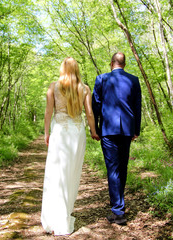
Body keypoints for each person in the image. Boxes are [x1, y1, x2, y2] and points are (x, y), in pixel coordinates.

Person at [41, 57, 100, 235]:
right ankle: (64, 215)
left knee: (57, 173)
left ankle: (57, 217)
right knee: (72, 173)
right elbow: (89, 113)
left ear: (62, 69)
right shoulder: (84, 88)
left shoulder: (53, 87)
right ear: (77, 69)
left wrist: (46, 132)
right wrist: (93, 131)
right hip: (76, 133)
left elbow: (48, 112)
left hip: (60, 132)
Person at [92, 52, 141, 225]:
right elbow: (137, 106)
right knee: (123, 167)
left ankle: (118, 210)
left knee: (113, 168)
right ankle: (118, 205)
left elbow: (95, 106)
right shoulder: (134, 80)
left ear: (111, 63)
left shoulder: (102, 79)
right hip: (127, 130)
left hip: (108, 130)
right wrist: (137, 130)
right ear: (124, 64)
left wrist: (96, 129)